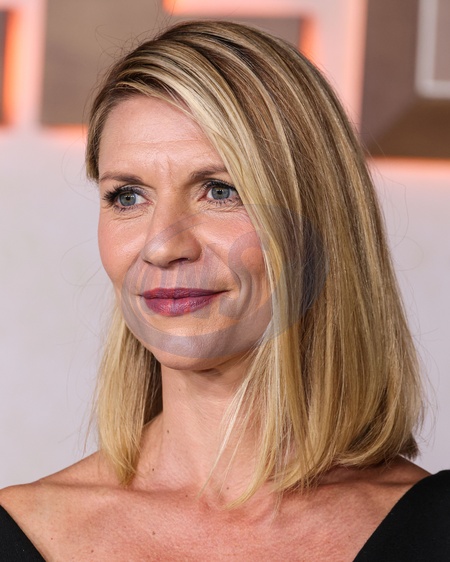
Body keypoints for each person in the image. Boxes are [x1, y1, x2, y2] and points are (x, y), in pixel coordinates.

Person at [0, 20, 449, 561]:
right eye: (128, 197)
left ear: (319, 220)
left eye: (219, 190)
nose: (162, 246)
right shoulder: (20, 531)